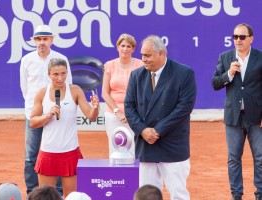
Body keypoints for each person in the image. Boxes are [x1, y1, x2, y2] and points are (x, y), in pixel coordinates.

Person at [124, 35, 196, 200]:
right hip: (146, 145)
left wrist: (157, 131)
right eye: (142, 55)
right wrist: (143, 130)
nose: (143, 59)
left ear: (161, 54)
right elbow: (129, 106)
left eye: (147, 55)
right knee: (147, 194)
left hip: (172, 145)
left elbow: (184, 107)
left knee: (178, 193)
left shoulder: (184, 73)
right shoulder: (136, 76)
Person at [30, 58, 99, 198]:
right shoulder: (42, 93)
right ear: (49, 74)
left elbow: (91, 116)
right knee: (45, 197)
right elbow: (33, 121)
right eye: (56, 74)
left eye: (63, 73)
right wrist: (47, 116)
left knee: (71, 196)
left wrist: (96, 108)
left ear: (67, 73)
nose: (60, 78)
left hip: (70, 152)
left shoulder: (75, 90)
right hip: (48, 153)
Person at [20, 24, 72, 195]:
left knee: (56, 152)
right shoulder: (26, 60)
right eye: (38, 39)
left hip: (56, 113)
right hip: (33, 115)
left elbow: (68, 86)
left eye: (45, 39)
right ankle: (31, 193)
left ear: (51, 40)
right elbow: (25, 88)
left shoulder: (61, 58)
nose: (42, 42)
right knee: (31, 156)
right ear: (34, 41)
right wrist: (36, 109)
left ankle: (55, 194)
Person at [212, 23, 262, 200]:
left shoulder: (260, 58)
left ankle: (260, 194)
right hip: (233, 117)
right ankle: (236, 195)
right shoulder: (225, 57)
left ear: (251, 39)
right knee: (233, 158)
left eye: (242, 37)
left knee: (260, 157)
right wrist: (229, 74)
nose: (238, 40)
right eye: (235, 37)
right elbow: (215, 83)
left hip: (256, 118)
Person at [101, 33, 143, 156]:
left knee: (133, 149)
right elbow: (105, 92)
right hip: (113, 115)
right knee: (115, 148)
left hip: (135, 115)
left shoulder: (140, 65)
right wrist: (117, 111)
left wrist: (132, 112)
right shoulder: (110, 65)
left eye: (128, 46)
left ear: (133, 49)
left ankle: (133, 176)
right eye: (122, 45)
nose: (125, 49)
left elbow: (143, 91)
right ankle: (116, 175)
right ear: (117, 47)